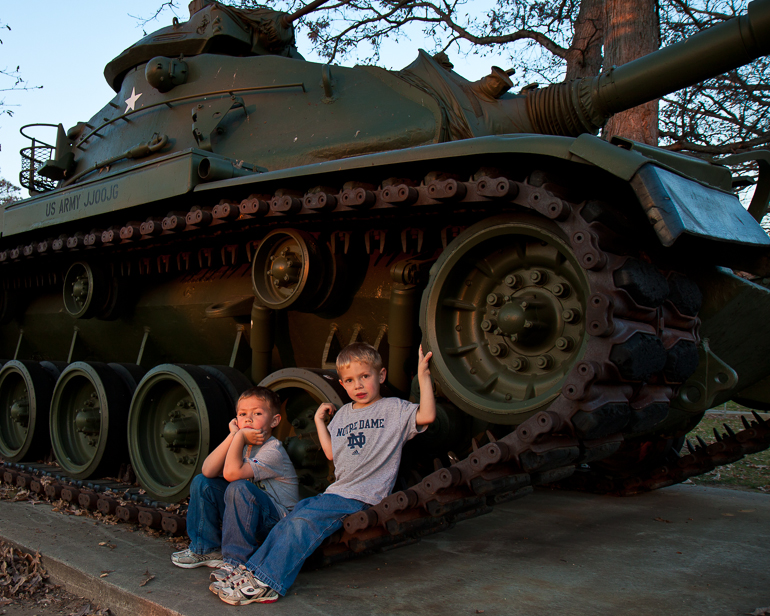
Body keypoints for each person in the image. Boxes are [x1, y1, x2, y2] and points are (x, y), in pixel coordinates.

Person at [212, 342, 436, 605]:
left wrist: (423, 376)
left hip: (362, 495)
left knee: (301, 522)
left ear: (381, 375)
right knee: (292, 519)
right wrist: (320, 422)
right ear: (342, 384)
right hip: (336, 492)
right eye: (350, 380)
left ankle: (266, 582)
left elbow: (427, 415)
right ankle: (250, 572)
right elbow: (331, 454)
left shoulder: (393, 409)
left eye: (365, 377)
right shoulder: (342, 416)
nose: (359, 385)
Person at [171, 386, 299, 579]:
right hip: (251, 516)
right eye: (242, 414)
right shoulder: (241, 444)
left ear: (274, 421)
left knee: (238, 487)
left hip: (277, 526)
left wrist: (239, 436)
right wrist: (233, 436)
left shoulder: (273, 451)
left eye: (257, 413)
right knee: (202, 481)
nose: (248, 419)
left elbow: (232, 474)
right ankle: (206, 548)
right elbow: (207, 470)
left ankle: (236, 562)